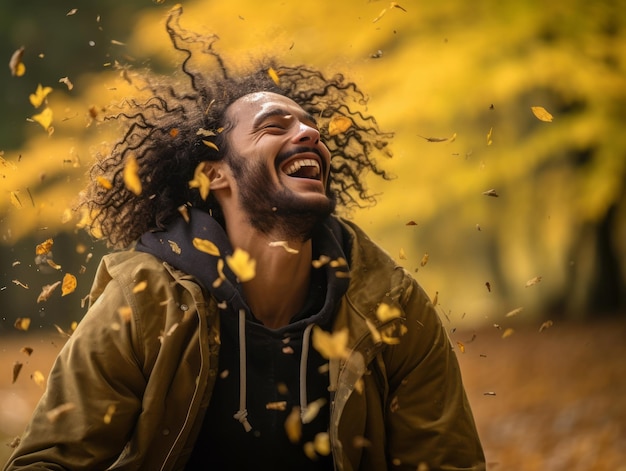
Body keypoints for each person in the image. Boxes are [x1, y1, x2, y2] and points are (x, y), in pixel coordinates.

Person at [4, 5, 485, 471]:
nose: (310, 135)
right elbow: (50, 460)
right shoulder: (144, 304)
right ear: (216, 175)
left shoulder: (391, 306)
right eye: (276, 126)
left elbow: (447, 462)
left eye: (313, 128)